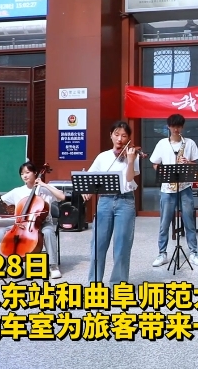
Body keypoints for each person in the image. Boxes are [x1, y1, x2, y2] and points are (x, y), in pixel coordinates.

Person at [83, 121, 141, 284]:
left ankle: (118, 284)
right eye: (116, 134)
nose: (119, 139)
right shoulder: (103, 157)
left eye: (124, 136)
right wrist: (88, 190)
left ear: (128, 138)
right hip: (105, 201)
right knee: (98, 244)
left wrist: (130, 161)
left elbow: (129, 178)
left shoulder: (132, 155)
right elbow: (90, 176)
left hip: (125, 201)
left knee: (122, 245)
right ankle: (94, 283)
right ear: (111, 135)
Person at [0, 162, 65, 279]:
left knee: (48, 232)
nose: (24, 176)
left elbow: (62, 197)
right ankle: (0, 266)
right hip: (21, 225)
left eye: (27, 172)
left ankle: (53, 266)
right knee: (0, 233)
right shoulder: (17, 191)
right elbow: (0, 201)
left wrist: (44, 184)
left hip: (43, 223)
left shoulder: (45, 189)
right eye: (22, 174)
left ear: (35, 173)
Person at [149, 113, 198, 268]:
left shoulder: (189, 143)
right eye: (173, 126)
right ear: (168, 127)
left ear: (182, 127)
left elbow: (196, 166)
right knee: (164, 223)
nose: (176, 129)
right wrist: (163, 170)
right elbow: (154, 163)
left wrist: (188, 163)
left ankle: (193, 253)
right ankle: (162, 253)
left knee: (189, 221)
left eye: (179, 126)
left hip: (185, 187)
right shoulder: (162, 143)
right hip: (167, 188)